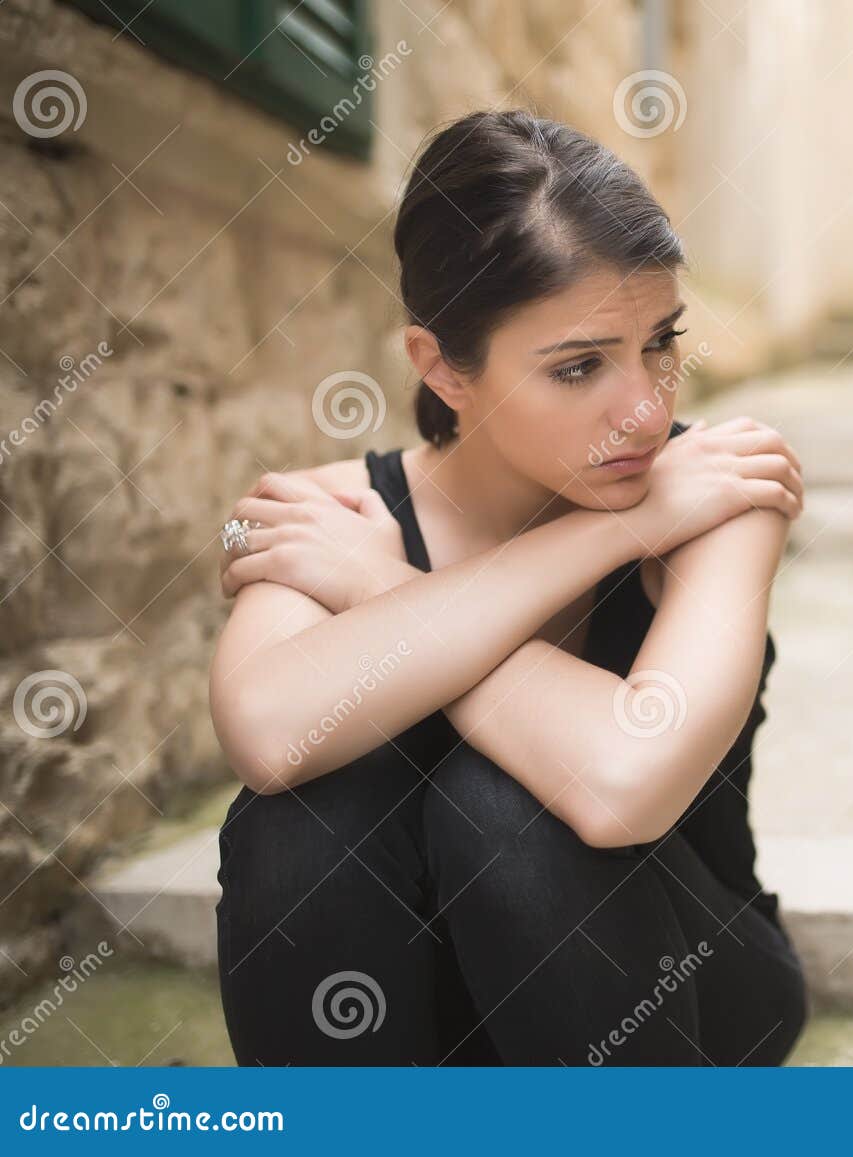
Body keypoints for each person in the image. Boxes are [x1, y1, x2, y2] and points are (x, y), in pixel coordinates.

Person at [207, 109, 809, 1066]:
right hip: (429, 1014)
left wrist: (383, 589)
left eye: (662, 340)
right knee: (299, 821)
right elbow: (270, 733)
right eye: (579, 367)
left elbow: (625, 782)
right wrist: (617, 527)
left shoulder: (724, 489)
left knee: (503, 806)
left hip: (687, 985)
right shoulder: (332, 514)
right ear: (441, 365)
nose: (649, 406)